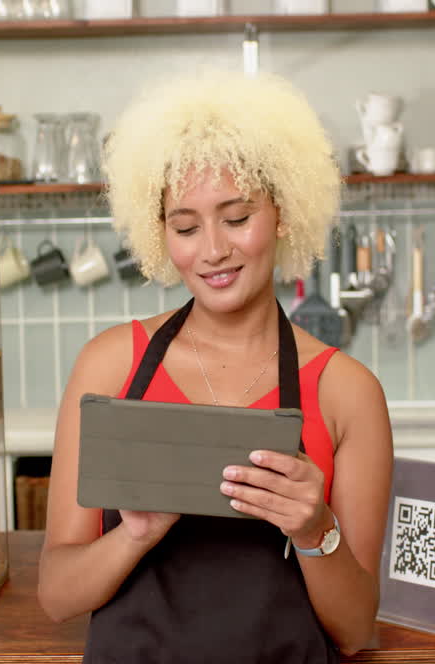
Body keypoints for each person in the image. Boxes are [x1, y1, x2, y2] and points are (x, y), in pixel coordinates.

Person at [37, 70, 394, 663]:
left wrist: (314, 530)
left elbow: (356, 630)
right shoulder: (110, 365)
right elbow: (56, 594)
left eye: (236, 218)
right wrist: (134, 534)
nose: (212, 250)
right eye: (185, 226)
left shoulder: (346, 392)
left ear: (282, 213)